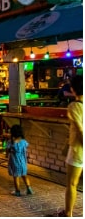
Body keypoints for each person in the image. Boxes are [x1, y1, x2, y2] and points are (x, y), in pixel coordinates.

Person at [56, 81, 82, 217]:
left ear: (73, 89)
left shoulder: (74, 106)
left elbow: (80, 129)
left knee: (72, 183)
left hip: (78, 149)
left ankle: (68, 213)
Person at [6, 124, 33, 196]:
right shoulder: (24, 142)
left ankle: (17, 191)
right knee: (24, 176)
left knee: (16, 177)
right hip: (23, 162)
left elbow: (7, 151)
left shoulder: (10, 142)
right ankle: (29, 188)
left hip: (15, 162)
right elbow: (26, 146)